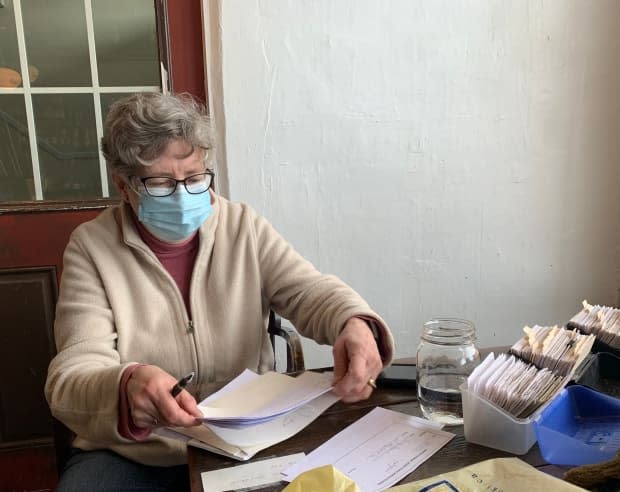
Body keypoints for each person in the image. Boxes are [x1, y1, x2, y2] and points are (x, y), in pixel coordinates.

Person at [45, 92, 394, 491]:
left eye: (194, 178)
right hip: (138, 452)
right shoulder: (92, 248)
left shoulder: (242, 226)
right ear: (124, 186)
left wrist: (353, 321)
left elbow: (309, 290)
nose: (183, 195)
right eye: (160, 183)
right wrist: (125, 387)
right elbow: (71, 375)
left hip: (245, 439)